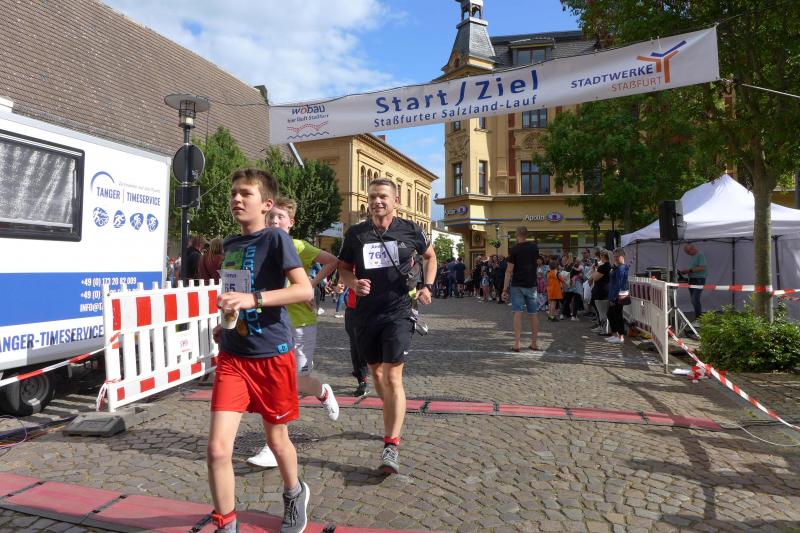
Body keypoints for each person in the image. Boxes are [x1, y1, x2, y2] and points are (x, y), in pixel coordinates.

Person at [209, 169, 312, 533]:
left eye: (245, 193)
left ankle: (294, 491)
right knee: (218, 449)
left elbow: (303, 290)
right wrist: (227, 321)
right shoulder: (231, 245)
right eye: (233, 193)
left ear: (267, 204)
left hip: (271, 354)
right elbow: (235, 291)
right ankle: (226, 523)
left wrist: (253, 299)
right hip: (233, 357)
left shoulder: (276, 238)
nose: (236, 199)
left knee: (276, 439)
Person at [338, 178, 437, 475]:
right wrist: (353, 283)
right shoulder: (356, 234)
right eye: (372, 197)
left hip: (400, 312)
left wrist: (427, 286)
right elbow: (343, 269)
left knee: (393, 376)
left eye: (382, 196)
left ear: (396, 201)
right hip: (366, 315)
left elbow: (430, 256)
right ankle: (392, 409)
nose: (377, 201)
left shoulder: (411, 230)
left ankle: (391, 445)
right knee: (378, 375)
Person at [246, 197, 340, 470]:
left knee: (297, 381)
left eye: (280, 217)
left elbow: (332, 261)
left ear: (291, 223)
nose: (274, 221)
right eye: (271, 216)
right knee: (277, 383)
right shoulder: (259, 245)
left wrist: (310, 284)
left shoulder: (298, 246)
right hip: (272, 323)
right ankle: (274, 446)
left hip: (300, 323)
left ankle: (322, 391)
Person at [501, 227, 540, 351]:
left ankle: (517, 344)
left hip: (517, 285)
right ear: (527, 235)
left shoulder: (514, 249)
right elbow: (536, 262)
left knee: (517, 313)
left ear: (516, 235)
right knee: (533, 314)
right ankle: (534, 343)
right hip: (531, 284)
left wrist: (504, 289)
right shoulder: (534, 247)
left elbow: (509, 270)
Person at [606, 248, 630, 345]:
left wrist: (613, 297)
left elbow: (618, 285)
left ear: (622, 256)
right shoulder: (618, 267)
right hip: (616, 294)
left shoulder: (621, 268)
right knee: (612, 314)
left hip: (618, 295)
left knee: (617, 315)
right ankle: (616, 335)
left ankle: (620, 337)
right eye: (614, 256)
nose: (615, 258)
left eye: (617, 256)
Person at [680, 243, 707, 319]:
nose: (687, 254)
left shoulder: (700, 255)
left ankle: (699, 318)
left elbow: (702, 268)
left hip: (699, 279)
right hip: (692, 279)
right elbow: (695, 268)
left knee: (695, 299)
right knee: (694, 300)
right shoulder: (693, 256)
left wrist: (689, 270)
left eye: (688, 251)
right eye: (686, 252)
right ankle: (698, 317)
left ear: (692, 248)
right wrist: (687, 271)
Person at [590, 249, 612, 335]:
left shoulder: (604, 267)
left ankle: (605, 330)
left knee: (602, 312)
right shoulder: (610, 266)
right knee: (603, 312)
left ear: (603, 257)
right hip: (605, 290)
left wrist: (594, 270)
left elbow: (595, 278)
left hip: (601, 291)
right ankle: (603, 328)